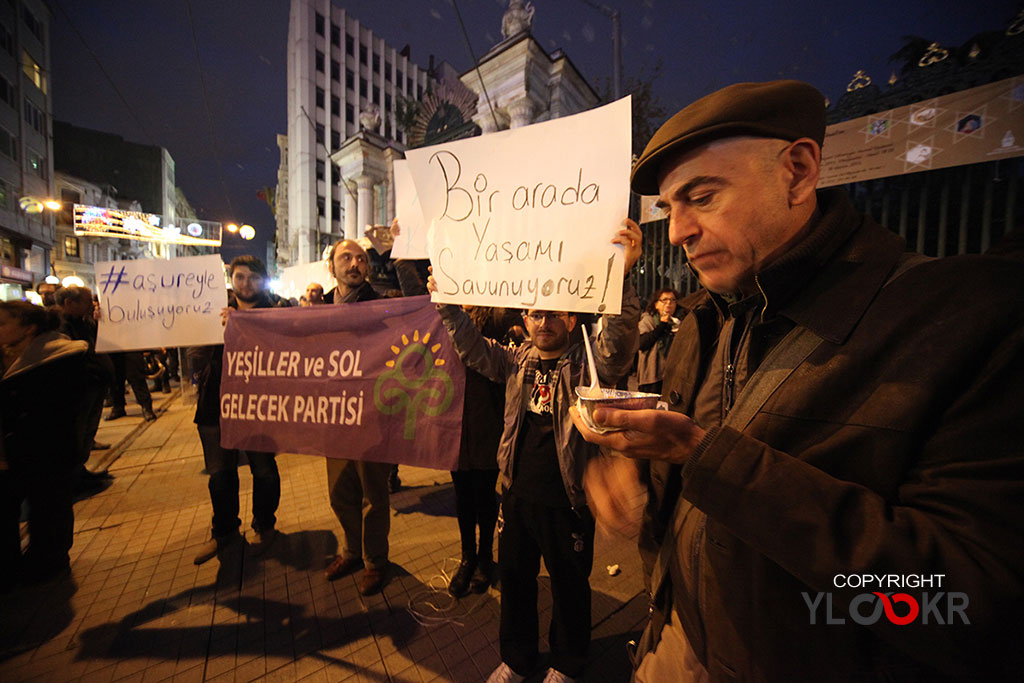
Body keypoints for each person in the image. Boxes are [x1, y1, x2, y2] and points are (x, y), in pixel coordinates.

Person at [571, 80, 1024, 682]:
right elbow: (684, 486)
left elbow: (962, 604)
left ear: (799, 172)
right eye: (669, 208)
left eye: (701, 197)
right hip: (676, 643)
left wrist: (706, 457)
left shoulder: (955, 324)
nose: (677, 231)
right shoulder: (703, 325)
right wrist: (640, 474)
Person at [430, 222, 642, 683]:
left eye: (552, 314)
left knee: (569, 588)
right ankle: (517, 659)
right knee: (517, 582)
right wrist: (447, 304)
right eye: (533, 314)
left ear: (570, 318)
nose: (542, 322)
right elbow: (470, 348)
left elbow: (619, 348)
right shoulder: (517, 359)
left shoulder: (588, 361)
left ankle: (567, 663)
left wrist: (619, 279)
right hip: (517, 496)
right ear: (524, 319)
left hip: (567, 500)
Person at [191, 255, 290, 565]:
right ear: (231, 280)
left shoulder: (279, 311)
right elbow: (190, 349)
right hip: (215, 405)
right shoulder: (209, 310)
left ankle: (265, 524)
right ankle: (223, 532)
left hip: (260, 407)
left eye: (254, 277)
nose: (248, 283)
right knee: (220, 474)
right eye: (241, 277)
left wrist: (246, 328)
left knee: (264, 470)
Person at [321, 239, 392, 596]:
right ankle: (351, 550)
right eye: (345, 257)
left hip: (371, 416)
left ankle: (375, 561)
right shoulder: (316, 310)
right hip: (334, 417)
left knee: (373, 495)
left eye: (361, 259)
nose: (354, 264)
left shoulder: (383, 306)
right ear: (330, 266)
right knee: (339, 492)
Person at [0, 301, 88, 585]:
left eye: (3, 324)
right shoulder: (8, 356)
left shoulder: (55, 360)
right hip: (10, 454)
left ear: (29, 328)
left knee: (48, 509)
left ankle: (48, 564)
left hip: (43, 452)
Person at [636, 288, 680, 395]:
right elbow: (642, 344)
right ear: (656, 304)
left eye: (672, 300)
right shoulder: (648, 320)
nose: (669, 304)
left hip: (672, 376)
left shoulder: (677, 323)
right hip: (651, 376)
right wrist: (662, 325)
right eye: (664, 300)